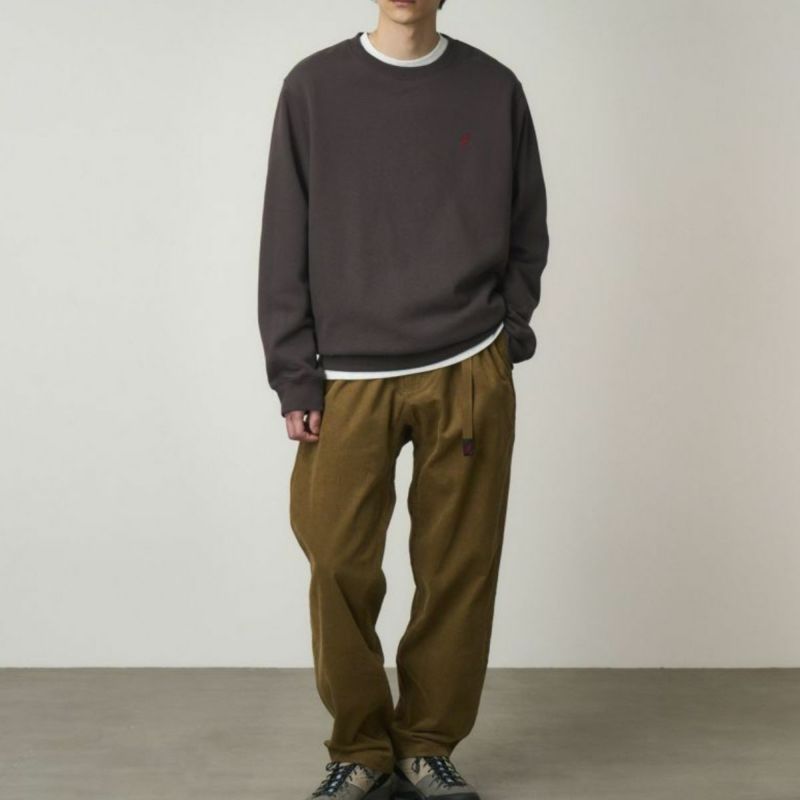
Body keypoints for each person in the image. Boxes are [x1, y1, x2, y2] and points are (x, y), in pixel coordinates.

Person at [257, 0, 549, 797]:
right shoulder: (314, 88)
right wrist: (294, 371)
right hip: (347, 375)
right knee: (336, 561)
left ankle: (426, 743)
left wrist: (506, 336)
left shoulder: (493, 88)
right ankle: (359, 747)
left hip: (466, 365)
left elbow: (527, 224)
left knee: (459, 566)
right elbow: (284, 234)